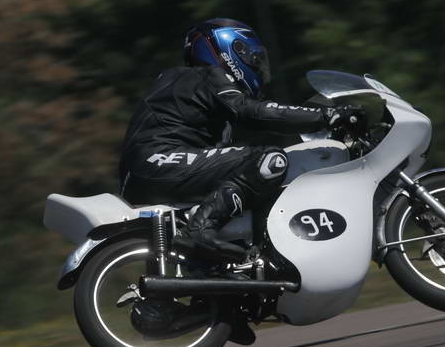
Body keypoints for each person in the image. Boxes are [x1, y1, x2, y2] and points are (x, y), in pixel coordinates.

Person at [119, 18, 366, 264]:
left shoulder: (198, 94)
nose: (257, 68)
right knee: (269, 159)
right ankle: (200, 229)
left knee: (248, 182)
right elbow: (251, 111)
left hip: (149, 170)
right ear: (230, 50)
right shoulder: (205, 76)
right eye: (253, 59)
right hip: (157, 160)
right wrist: (327, 116)